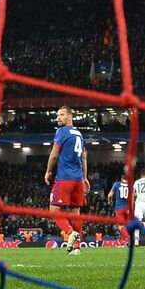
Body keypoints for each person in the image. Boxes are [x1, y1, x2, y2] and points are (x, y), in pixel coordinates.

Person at [45, 106, 87, 255]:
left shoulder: (61, 132)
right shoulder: (79, 134)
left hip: (64, 178)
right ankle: (76, 248)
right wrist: (84, 177)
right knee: (75, 212)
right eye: (57, 115)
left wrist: (48, 171)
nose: (58, 118)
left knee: (54, 210)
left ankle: (70, 232)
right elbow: (83, 157)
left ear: (70, 117)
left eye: (62, 115)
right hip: (78, 180)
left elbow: (54, 155)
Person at [112, 174, 132, 244]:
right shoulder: (130, 186)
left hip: (119, 208)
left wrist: (109, 200)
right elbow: (133, 198)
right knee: (125, 226)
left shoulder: (117, 184)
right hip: (127, 208)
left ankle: (127, 238)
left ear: (121, 179)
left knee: (120, 226)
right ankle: (123, 242)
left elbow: (110, 195)